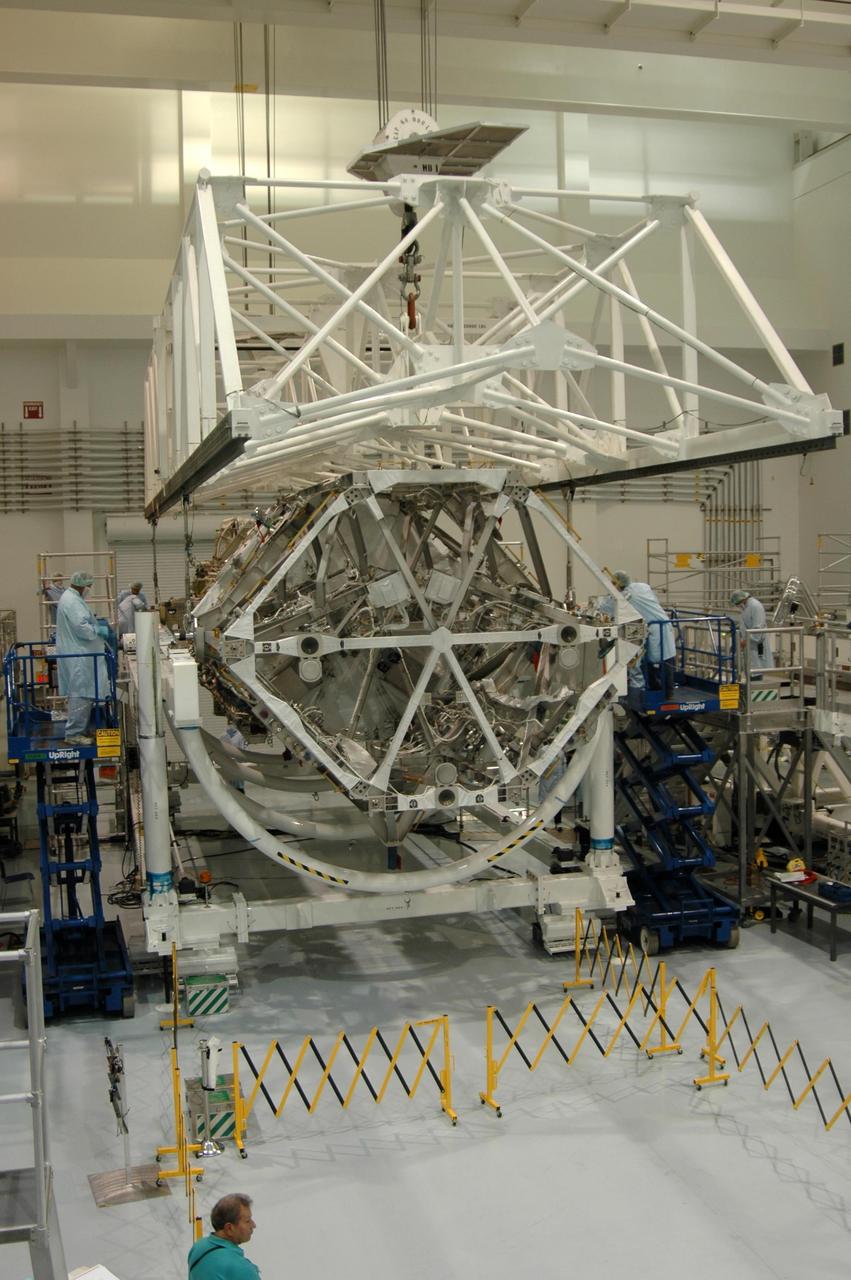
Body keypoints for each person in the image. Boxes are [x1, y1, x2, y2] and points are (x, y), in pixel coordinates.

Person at [55, 571, 110, 745]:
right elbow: (81, 627)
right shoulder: (72, 601)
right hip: (79, 654)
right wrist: (97, 631)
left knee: (82, 690)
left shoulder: (72, 599)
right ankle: (73, 734)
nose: (90, 589)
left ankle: (79, 729)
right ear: (81, 585)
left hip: (79, 652)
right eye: (89, 586)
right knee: (81, 691)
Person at [607, 570, 677, 697]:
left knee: (659, 659)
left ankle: (664, 691)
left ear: (619, 583)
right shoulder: (643, 587)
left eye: (613, 583)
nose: (612, 585)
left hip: (656, 627)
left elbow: (609, 607)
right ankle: (659, 688)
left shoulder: (626, 595)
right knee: (661, 658)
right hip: (659, 624)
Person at [188, 1193, 260, 1279]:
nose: (253, 1225)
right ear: (229, 1228)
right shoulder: (241, 1268)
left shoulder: (198, 1247)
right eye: (247, 1221)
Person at [730, 588, 773, 674]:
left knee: (757, 669)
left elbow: (758, 627)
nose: (738, 606)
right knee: (751, 669)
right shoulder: (746, 607)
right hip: (749, 643)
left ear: (742, 599)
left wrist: (745, 641)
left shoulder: (755, 606)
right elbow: (745, 623)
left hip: (756, 644)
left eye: (738, 603)